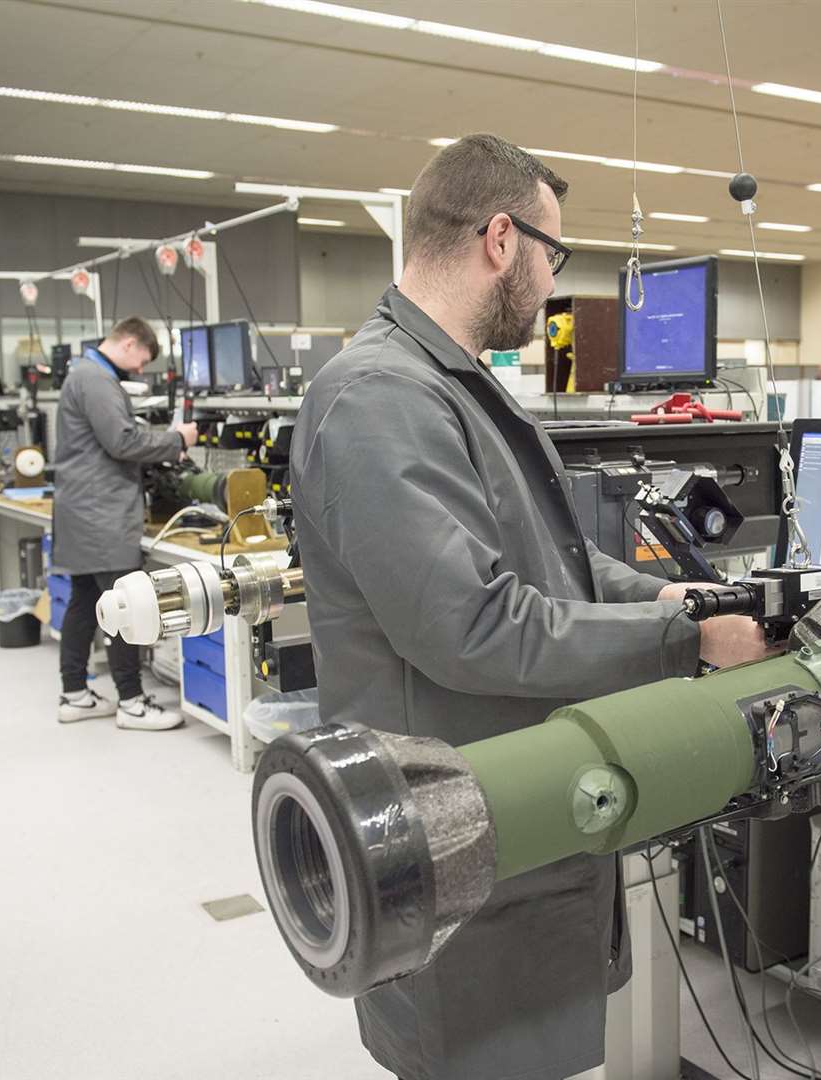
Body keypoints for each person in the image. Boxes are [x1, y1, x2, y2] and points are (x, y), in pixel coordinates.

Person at [289, 134, 771, 1080]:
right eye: (556, 256)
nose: (555, 284)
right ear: (501, 239)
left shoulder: (452, 384)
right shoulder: (383, 396)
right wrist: (690, 640)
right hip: (461, 827)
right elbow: (472, 625)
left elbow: (554, 563)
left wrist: (669, 592)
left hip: (519, 813)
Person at [51, 317, 198, 731]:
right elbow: (122, 441)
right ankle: (132, 702)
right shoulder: (96, 379)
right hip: (102, 514)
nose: (139, 370)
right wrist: (178, 440)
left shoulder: (83, 374)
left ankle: (75, 695)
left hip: (82, 510)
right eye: (142, 361)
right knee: (123, 605)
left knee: (84, 603)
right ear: (130, 343)